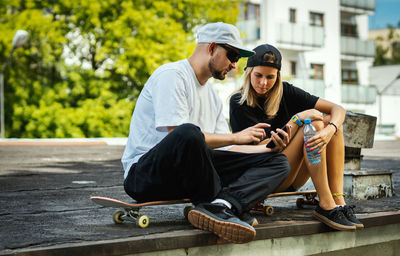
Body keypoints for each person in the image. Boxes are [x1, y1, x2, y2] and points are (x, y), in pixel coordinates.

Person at [121, 23, 290, 244]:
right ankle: (219, 204)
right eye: (232, 56)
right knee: (189, 132)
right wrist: (236, 136)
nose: (234, 65)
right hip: (146, 176)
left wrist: (266, 148)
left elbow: (226, 147)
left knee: (278, 162)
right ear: (211, 48)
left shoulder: (210, 93)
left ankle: (221, 206)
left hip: (189, 176)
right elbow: (178, 136)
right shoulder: (172, 75)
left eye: (237, 59)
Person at [229, 44, 364, 231]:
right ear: (249, 73)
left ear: (277, 77)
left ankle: (338, 200)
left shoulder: (286, 92)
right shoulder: (238, 102)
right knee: (314, 124)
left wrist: (330, 129)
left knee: (331, 125)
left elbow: (338, 110)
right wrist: (297, 120)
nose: (263, 83)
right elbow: (257, 150)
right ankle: (325, 204)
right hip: (265, 176)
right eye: (258, 75)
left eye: (270, 77)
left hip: (293, 175)